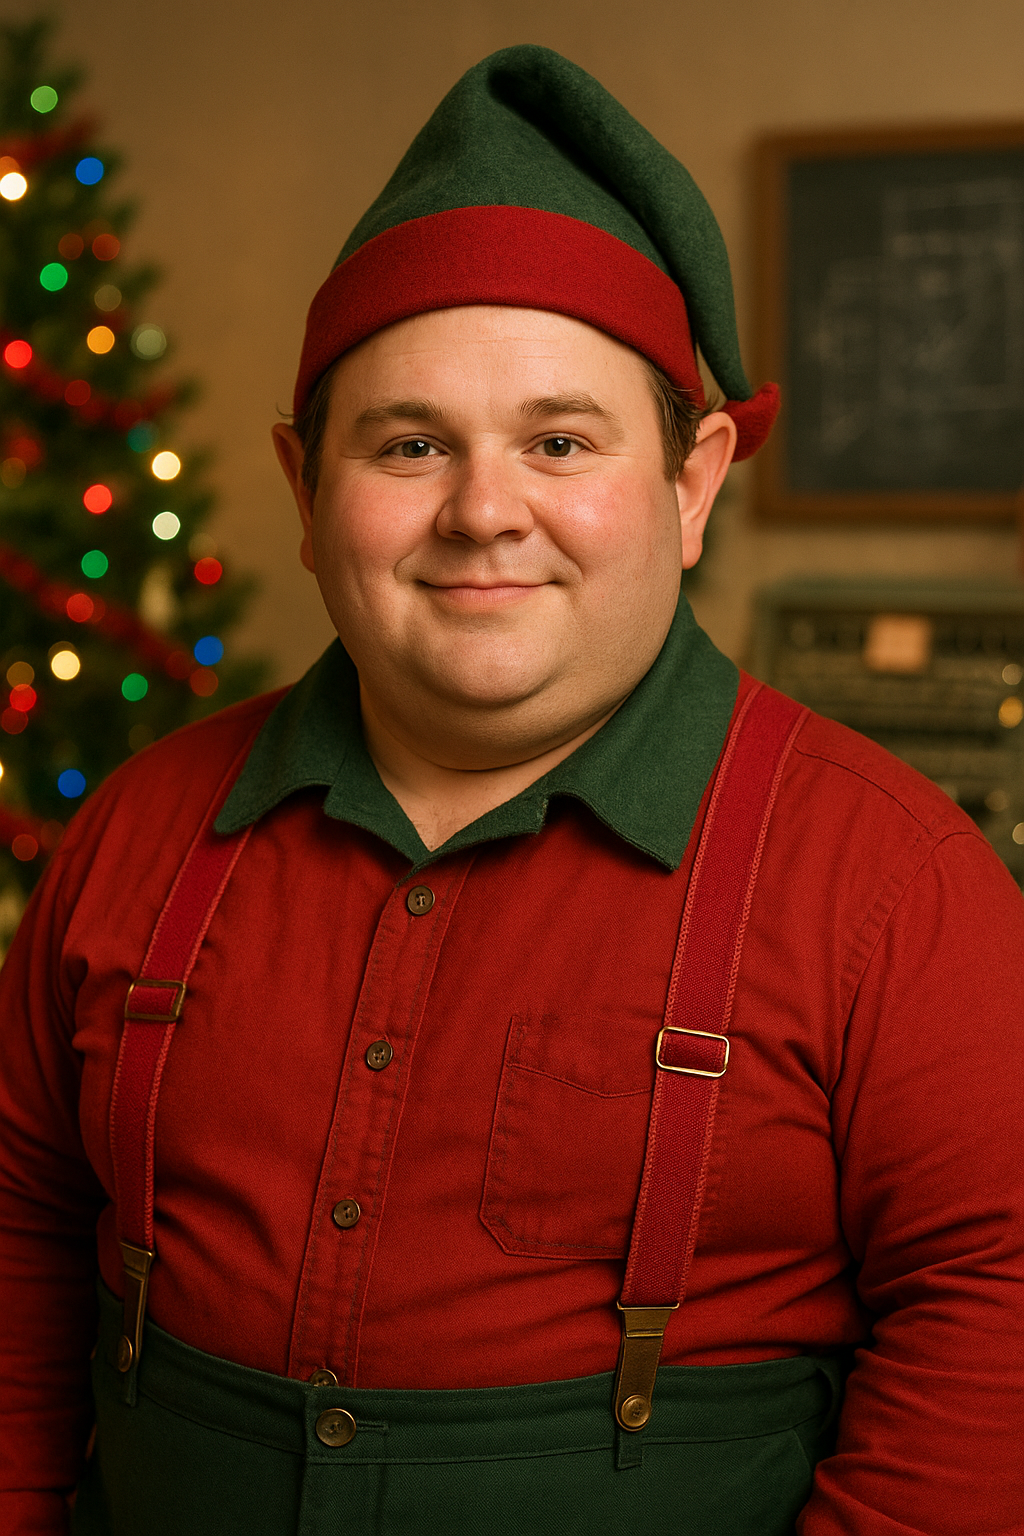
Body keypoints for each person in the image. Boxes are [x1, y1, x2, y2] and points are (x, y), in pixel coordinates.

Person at [1, 44, 1022, 1536]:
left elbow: (997, 1316)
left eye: (559, 442)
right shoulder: (137, 831)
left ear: (692, 482)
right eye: (410, 445)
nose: (484, 513)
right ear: (304, 489)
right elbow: (21, 1231)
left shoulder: (896, 885)